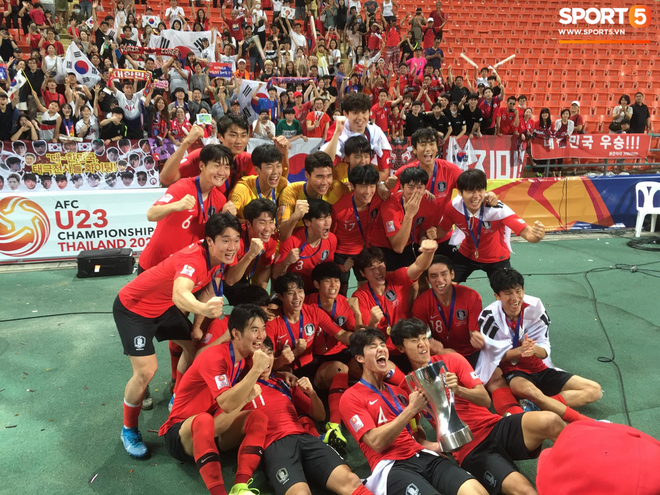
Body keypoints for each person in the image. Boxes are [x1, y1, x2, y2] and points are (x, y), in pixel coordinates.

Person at [113, 213, 240, 459]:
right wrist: (202, 310)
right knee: (145, 372)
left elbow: (208, 289)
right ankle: (128, 429)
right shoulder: (193, 259)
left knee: (193, 348)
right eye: (226, 240)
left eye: (235, 240)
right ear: (210, 241)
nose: (232, 246)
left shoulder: (217, 257)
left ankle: (178, 398)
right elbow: (180, 294)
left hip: (162, 308)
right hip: (133, 309)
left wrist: (197, 326)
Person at [390, 318, 565, 495]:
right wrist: (433, 446)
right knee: (524, 491)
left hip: (494, 426)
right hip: (471, 448)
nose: (422, 345)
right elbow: (414, 429)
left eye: (423, 338)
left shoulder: (452, 360)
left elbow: (484, 400)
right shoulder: (407, 388)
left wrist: (458, 389)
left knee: (551, 421)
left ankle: (576, 476)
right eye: (414, 341)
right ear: (401, 348)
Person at [340, 328, 488, 495]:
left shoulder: (400, 393)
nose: (381, 348)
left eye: (382, 344)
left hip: (423, 456)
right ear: (359, 358)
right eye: (373, 346)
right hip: (392, 466)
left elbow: (416, 434)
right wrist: (411, 409)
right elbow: (376, 442)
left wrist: (437, 447)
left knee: (475, 491)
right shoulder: (350, 397)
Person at [159, 304, 270, 495]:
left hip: (211, 427)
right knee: (203, 419)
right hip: (181, 434)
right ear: (236, 334)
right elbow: (226, 404)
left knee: (258, 417)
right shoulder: (215, 357)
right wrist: (256, 371)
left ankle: (241, 486)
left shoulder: (241, 359)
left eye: (263, 329)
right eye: (254, 330)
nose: (261, 335)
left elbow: (223, 414)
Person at [242, 336, 373, 495]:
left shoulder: (284, 382)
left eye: (268, 353)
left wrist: (311, 393)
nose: (265, 360)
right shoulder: (241, 388)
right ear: (248, 360)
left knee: (351, 481)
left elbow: (319, 415)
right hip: (276, 446)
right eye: (259, 355)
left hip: (305, 438)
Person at [476, 268, 603, 423]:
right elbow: (491, 357)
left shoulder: (535, 307)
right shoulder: (488, 316)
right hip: (514, 372)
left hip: (540, 368)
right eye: (508, 293)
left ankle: (537, 407)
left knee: (594, 390)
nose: (515, 298)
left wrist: (536, 350)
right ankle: (582, 420)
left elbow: (544, 347)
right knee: (530, 391)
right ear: (497, 296)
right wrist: (519, 351)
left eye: (518, 291)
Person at [267, 272, 353, 441]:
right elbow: (265, 365)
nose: (297, 297)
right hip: (288, 376)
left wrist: (367, 336)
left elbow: (341, 334)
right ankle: (312, 433)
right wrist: (281, 361)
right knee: (306, 410)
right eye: (291, 293)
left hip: (312, 369)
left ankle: (335, 426)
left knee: (340, 368)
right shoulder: (272, 324)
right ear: (280, 296)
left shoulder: (312, 312)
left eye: (300, 291)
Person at [435, 169, 546, 283]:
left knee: (507, 293)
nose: (476, 196)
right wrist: (428, 233)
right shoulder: (453, 207)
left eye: (480, 190)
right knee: (447, 285)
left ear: (485, 191)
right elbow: (442, 231)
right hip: (466, 254)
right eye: (470, 191)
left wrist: (537, 235)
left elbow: (529, 234)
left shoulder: (498, 210)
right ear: (460, 192)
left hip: (497, 258)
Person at [137, 145, 234, 274]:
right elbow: (151, 214)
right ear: (202, 166)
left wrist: (226, 217)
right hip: (155, 263)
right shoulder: (183, 187)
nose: (222, 172)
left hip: (184, 268)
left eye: (226, 167)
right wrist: (175, 205)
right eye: (217, 165)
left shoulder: (220, 200)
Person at [352, 239, 438, 364]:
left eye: (380, 265)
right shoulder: (360, 297)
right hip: (384, 352)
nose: (378, 272)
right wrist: (372, 322)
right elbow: (365, 337)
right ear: (362, 273)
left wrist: (429, 252)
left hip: (408, 344)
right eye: (371, 268)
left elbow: (419, 266)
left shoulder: (396, 278)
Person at [411, 255, 484, 365]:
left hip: (471, 353)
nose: (440, 280)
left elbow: (474, 334)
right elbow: (418, 336)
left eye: (444, 274)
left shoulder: (472, 296)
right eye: (433, 276)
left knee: (496, 379)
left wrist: (478, 338)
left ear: (452, 275)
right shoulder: (421, 302)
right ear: (428, 280)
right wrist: (429, 343)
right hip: (442, 353)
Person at [369, 167, 439, 272]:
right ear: (401, 187)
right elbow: (398, 247)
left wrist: (424, 238)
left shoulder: (430, 202)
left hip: (409, 242)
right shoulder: (389, 206)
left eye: (420, 187)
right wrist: (410, 214)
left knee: (418, 283)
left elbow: (422, 232)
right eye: (410, 187)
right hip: (383, 246)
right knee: (388, 282)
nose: (415, 192)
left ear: (425, 188)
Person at [332, 165, 383, 294]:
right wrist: (339, 265)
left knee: (366, 286)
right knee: (341, 289)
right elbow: (330, 237)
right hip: (341, 253)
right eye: (363, 186)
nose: (368, 191)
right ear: (353, 186)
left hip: (364, 251)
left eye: (372, 185)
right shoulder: (339, 209)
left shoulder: (378, 198)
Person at [322, 92, 392, 181]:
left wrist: (363, 184)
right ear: (345, 114)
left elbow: (384, 172)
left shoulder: (376, 132)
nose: (360, 117)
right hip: (340, 178)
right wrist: (337, 133)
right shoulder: (338, 128)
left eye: (364, 112)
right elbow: (325, 162)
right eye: (355, 113)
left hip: (364, 179)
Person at [274, 199, 341, 292]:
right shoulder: (291, 240)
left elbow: (328, 272)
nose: (327, 222)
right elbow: (275, 275)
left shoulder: (332, 239)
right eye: (321, 219)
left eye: (328, 217)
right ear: (307, 222)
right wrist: (286, 261)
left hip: (316, 290)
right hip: (292, 290)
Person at [277, 151, 346, 241]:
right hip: (293, 249)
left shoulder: (337, 189)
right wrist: (295, 217)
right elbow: (282, 235)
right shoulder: (291, 192)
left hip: (321, 247)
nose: (325, 182)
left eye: (329, 176)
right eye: (319, 177)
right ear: (307, 175)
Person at [228, 143, 289, 221]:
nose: (275, 172)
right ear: (257, 169)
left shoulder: (281, 183)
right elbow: (228, 217)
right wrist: (253, 223)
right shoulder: (243, 188)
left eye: (278, 166)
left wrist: (285, 153)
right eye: (269, 167)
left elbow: (285, 171)